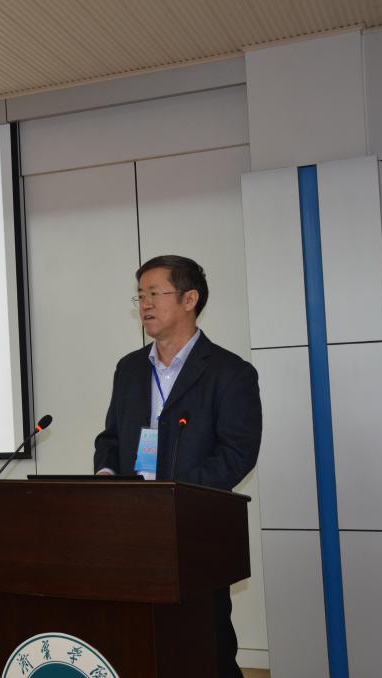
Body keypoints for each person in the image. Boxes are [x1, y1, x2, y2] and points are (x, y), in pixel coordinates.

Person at [93, 254, 262, 678]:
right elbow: (111, 439)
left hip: (194, 530)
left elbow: (237, 453)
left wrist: (174, 495)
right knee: (138, 643)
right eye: (140, 295)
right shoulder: (129, 368)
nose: (145, 304)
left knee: (205, 646)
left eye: (155, 293)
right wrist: (107, 477)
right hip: (132, 528)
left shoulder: (230, 372)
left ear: (190, 299)